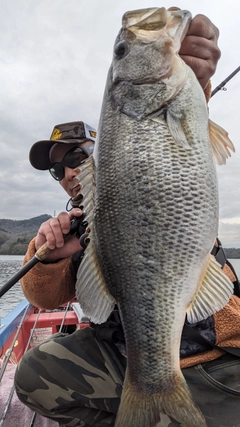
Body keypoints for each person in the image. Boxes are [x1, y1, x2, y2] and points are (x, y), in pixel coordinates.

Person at [14, 12, 240, 427]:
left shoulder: (141, 145)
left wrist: (196, 82)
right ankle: (151, 405)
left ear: (101, 154)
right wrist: (48, 258)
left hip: (216, 353)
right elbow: (43, 299)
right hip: (128, 358)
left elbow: (170, 137)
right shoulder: (74, 226)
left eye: (78, 158)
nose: (67, 174)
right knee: (32, 376)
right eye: (56, 169)